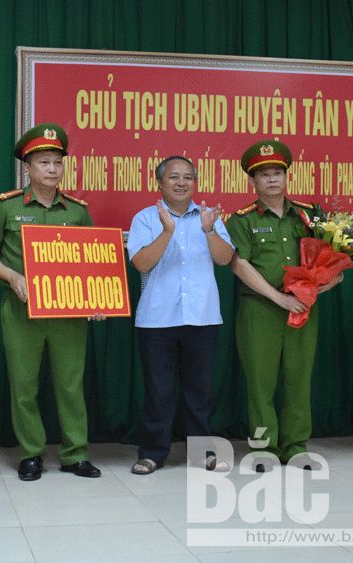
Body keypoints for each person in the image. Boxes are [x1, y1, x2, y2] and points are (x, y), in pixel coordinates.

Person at [0, 123, 102, 481]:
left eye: (57, 162)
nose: (51, 169)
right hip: (21, 310)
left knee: (71, 384)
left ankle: (75, 454)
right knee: (24, 384)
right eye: (43, 162)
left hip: (69, 313)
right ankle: (31, 454)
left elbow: (93, 261)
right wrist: (13, 277)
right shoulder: (6, 206)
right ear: (27, 168)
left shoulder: (77, 211)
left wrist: (95, 298)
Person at [227, 140, 342, 471]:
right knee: (260, 382)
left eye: (277, 172)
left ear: (287, 176)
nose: (272, 179)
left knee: (298, 377)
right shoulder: (243, 219)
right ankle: (264, 448)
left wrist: (330, 280)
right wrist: (278, 298)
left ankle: (295, 445)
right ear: (253, 182)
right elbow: (239, 264)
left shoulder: (308, 216)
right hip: (260, 309)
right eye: (264, 175)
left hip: (304, 310)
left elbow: (327, 253)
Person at [126, 156, 234, 475]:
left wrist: (210, 231)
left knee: (199, 391)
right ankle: (152, 453)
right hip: (157, 319)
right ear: (159, 183)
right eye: (174, 177)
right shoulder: (146, 218)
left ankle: (202, 452)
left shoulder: (208, 217)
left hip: (202, 317)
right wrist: (167, 231)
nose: (182, 182)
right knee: (158, 391)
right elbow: (141, 264)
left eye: (188, 177)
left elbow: (225, 259)